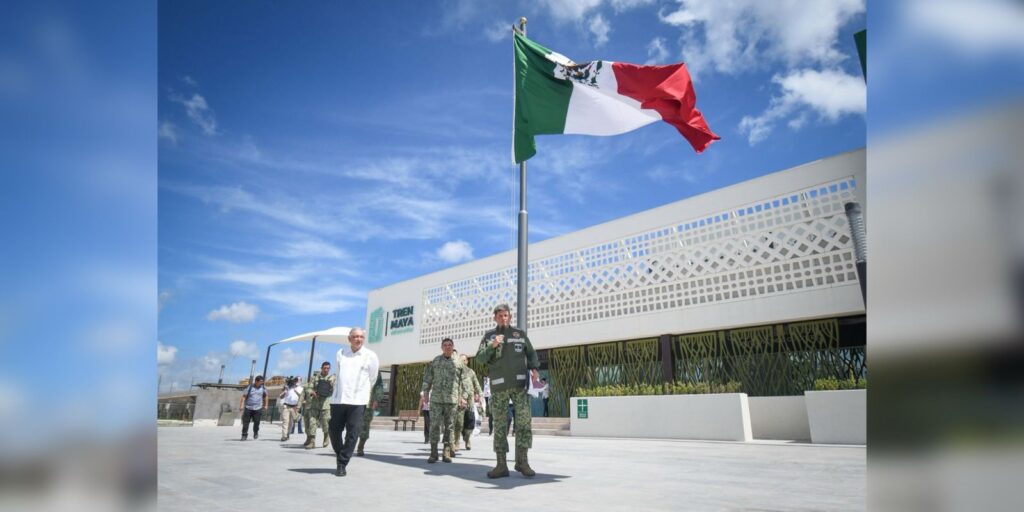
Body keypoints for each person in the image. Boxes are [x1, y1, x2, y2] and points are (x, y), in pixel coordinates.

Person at [475, 304, 540, 478]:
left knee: (524, 423)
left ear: (510, 317)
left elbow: (531, 353)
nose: (504, 318)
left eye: (506, 315)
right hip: (499, 387)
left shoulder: (519, 334)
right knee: (500, 425)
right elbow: (480, 358)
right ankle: (501, 465)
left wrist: (534, 369)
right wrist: (493, 345)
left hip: (520, 386)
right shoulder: (489, 336)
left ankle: (522, 462)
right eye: (500, 316)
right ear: (494, 318)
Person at [328, 328, 379, 477]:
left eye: (361, 337)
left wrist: (363, 393)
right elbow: (338, 374)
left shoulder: (371, 356)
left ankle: (342, 463)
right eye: (355, 336)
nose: (359, 339)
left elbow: (373, 378)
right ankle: (340, 454)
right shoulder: (341, 353)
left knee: (353, 432)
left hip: (358, 400)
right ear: (349, 338)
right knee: (333, 430)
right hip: (339, 399)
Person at [420, 337, 465, 464]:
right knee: (434, 425)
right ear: (441, 347)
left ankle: (446, 451)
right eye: (445, 345)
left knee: (449, 427)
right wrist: (425, 393)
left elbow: (464, 381)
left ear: (453, 346)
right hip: (436, 400)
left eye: (450, 345)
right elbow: (427, 378)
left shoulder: (459, 362)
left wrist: (463, 397)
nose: (447, 347)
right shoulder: (435, 361)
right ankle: (433, 452)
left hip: (452, 400)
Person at [303, 362, 335, 449]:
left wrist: (332, 385)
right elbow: (308, 388)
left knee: (325, 422)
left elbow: (334, 390)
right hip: (315, 403)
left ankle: (326, 437)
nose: (326, 370)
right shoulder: (315, 378)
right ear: (321, 368)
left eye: (328, 368)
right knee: (312, 422)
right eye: (324, 368)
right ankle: (312, 442)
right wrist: (312, 392)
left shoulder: (332, 378)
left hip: (325, 404)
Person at [454, 353, 482, 451]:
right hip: (459, 401)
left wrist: (480, 395)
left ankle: (467, 439)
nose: (462, 362)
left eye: (464, 360)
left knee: (470, 423)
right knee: (458, 423)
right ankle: (456, 442)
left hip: (469, 401)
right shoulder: (455, 373)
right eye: (460, 360)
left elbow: (477, 384)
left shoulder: (471, 372)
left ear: (467, 361)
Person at [355, 372, 384, 456]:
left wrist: (376, 399)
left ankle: (360, 447)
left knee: (365, 425)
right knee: (352, 424)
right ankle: (348, 447)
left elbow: (379, 385)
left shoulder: (374, 369)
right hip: (354, 401)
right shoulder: (355, 365)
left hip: (368, 402)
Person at [239, 375, 268, 441]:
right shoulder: (249, 388)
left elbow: (266, 396)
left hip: (258, 408)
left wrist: (266, 405)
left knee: (257, 422)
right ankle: (244, 435)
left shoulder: (263, 388)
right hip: (248, 407)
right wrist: (241, 405)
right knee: (245, 422)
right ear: (256, 381)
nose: (262, 383)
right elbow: (244, 397)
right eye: (260, 382)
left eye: (262, 382)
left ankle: (255, 432)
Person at [278, 376, 302, 441]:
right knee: (285, 421)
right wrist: (285, 391)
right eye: (295, 380)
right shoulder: (287, 388)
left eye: (296, 380)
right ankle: (284, 436)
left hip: (294, 407)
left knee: (291, 423)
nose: (295, 382)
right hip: (286, 406)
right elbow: (281, 396)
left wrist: (295, 391)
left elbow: (301, 397)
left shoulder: (300, 388)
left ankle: (288, 433)